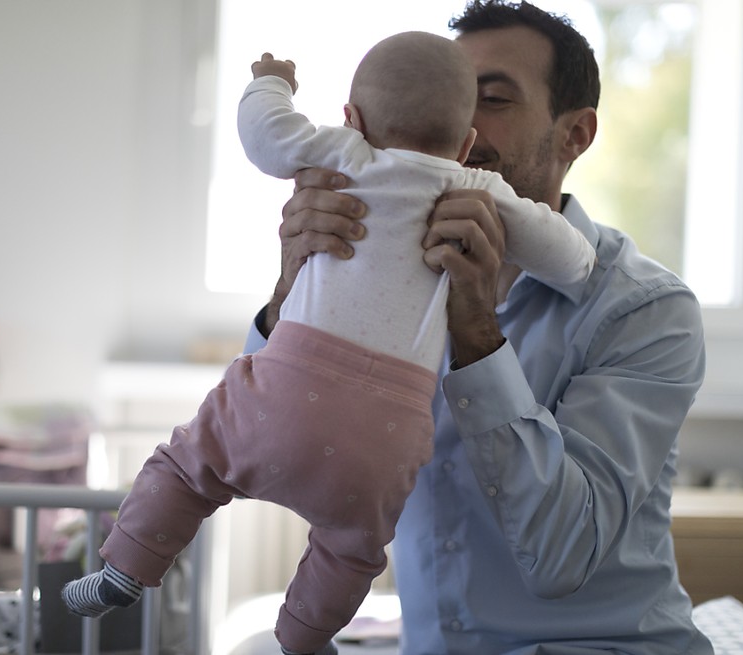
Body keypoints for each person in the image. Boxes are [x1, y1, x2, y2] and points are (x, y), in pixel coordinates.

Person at [61, 29, 595, 655]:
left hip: (284, 389)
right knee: (351, 550)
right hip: (390, 428)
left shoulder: (344, 155)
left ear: (352, 118)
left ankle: (125, 568)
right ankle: (305, 641)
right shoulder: (477, 193)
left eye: (499, 95)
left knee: (184, 468)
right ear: (467, 141)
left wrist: (271, 82)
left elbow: (265, 133)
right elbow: (572, 261)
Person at [243, 2, 713, 655]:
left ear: (574, 134)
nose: (454, 119)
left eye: (489, 97)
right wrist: (290, 291)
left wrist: (474, 334)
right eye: (447, 90)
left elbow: (559, 555)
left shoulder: (646, 310)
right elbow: (269, 448)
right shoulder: (384, 268)